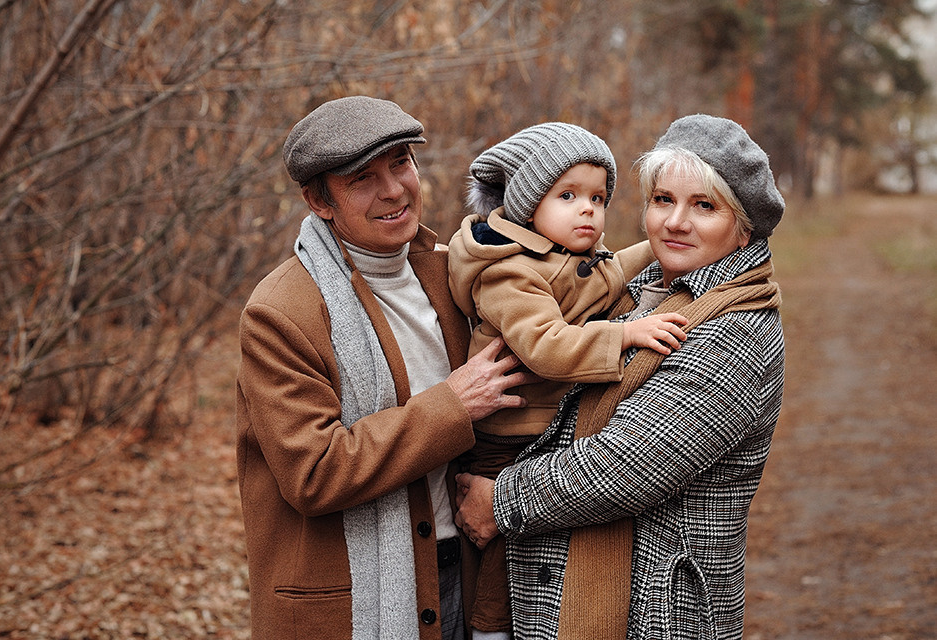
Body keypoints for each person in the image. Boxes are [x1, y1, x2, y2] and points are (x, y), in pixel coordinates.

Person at [454, 113, 786, 640]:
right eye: (662, 200)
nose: (675, 222)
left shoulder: (735, 330)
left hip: (656, 612)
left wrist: (501, 500)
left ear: (744, 227)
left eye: (704, 205)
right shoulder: (646, 290)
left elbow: (629, 467)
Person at [236, 96, 535, 640]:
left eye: (401, 162)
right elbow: (315, 473)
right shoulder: (281, 312)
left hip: (467, 575)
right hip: (355, 602)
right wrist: (452, 405)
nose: (394, 189)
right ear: (318, 200)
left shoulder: (455, 275)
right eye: (362, 179)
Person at [446, 122, 688, 639]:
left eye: (599, 197)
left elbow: (609, 275)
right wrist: (624, 334)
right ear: (528, 204)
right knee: (496, 560)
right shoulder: (507, 271)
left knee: (537, 549)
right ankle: (490, 632)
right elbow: (546, 346)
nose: (588, 210)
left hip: (542, 430)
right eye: (568, 195)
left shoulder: (560, 257)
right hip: (506, 436)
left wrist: (659, 244)